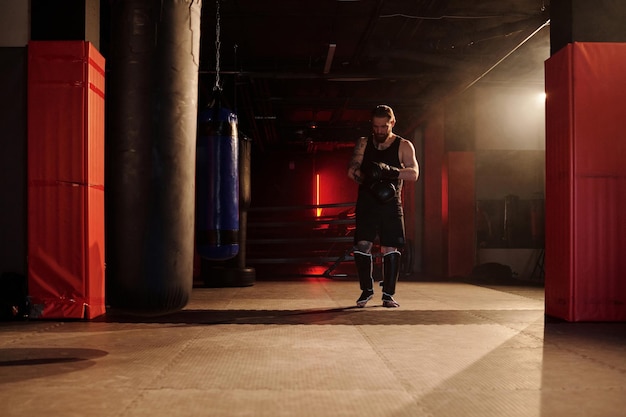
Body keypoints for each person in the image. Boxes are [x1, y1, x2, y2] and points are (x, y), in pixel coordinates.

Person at [347, 105, 419, 308]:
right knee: (362, 245)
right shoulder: (364, 143)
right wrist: (368, 178)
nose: (379, 130)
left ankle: (388, 294)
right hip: (367, 201)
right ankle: (366, 290)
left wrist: (390, 172)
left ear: (392, 123)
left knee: (390, 246)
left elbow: (414, 173)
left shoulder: (404, 145)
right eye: (376, 126)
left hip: (390, 202)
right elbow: (351, 170)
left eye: (383, 126)